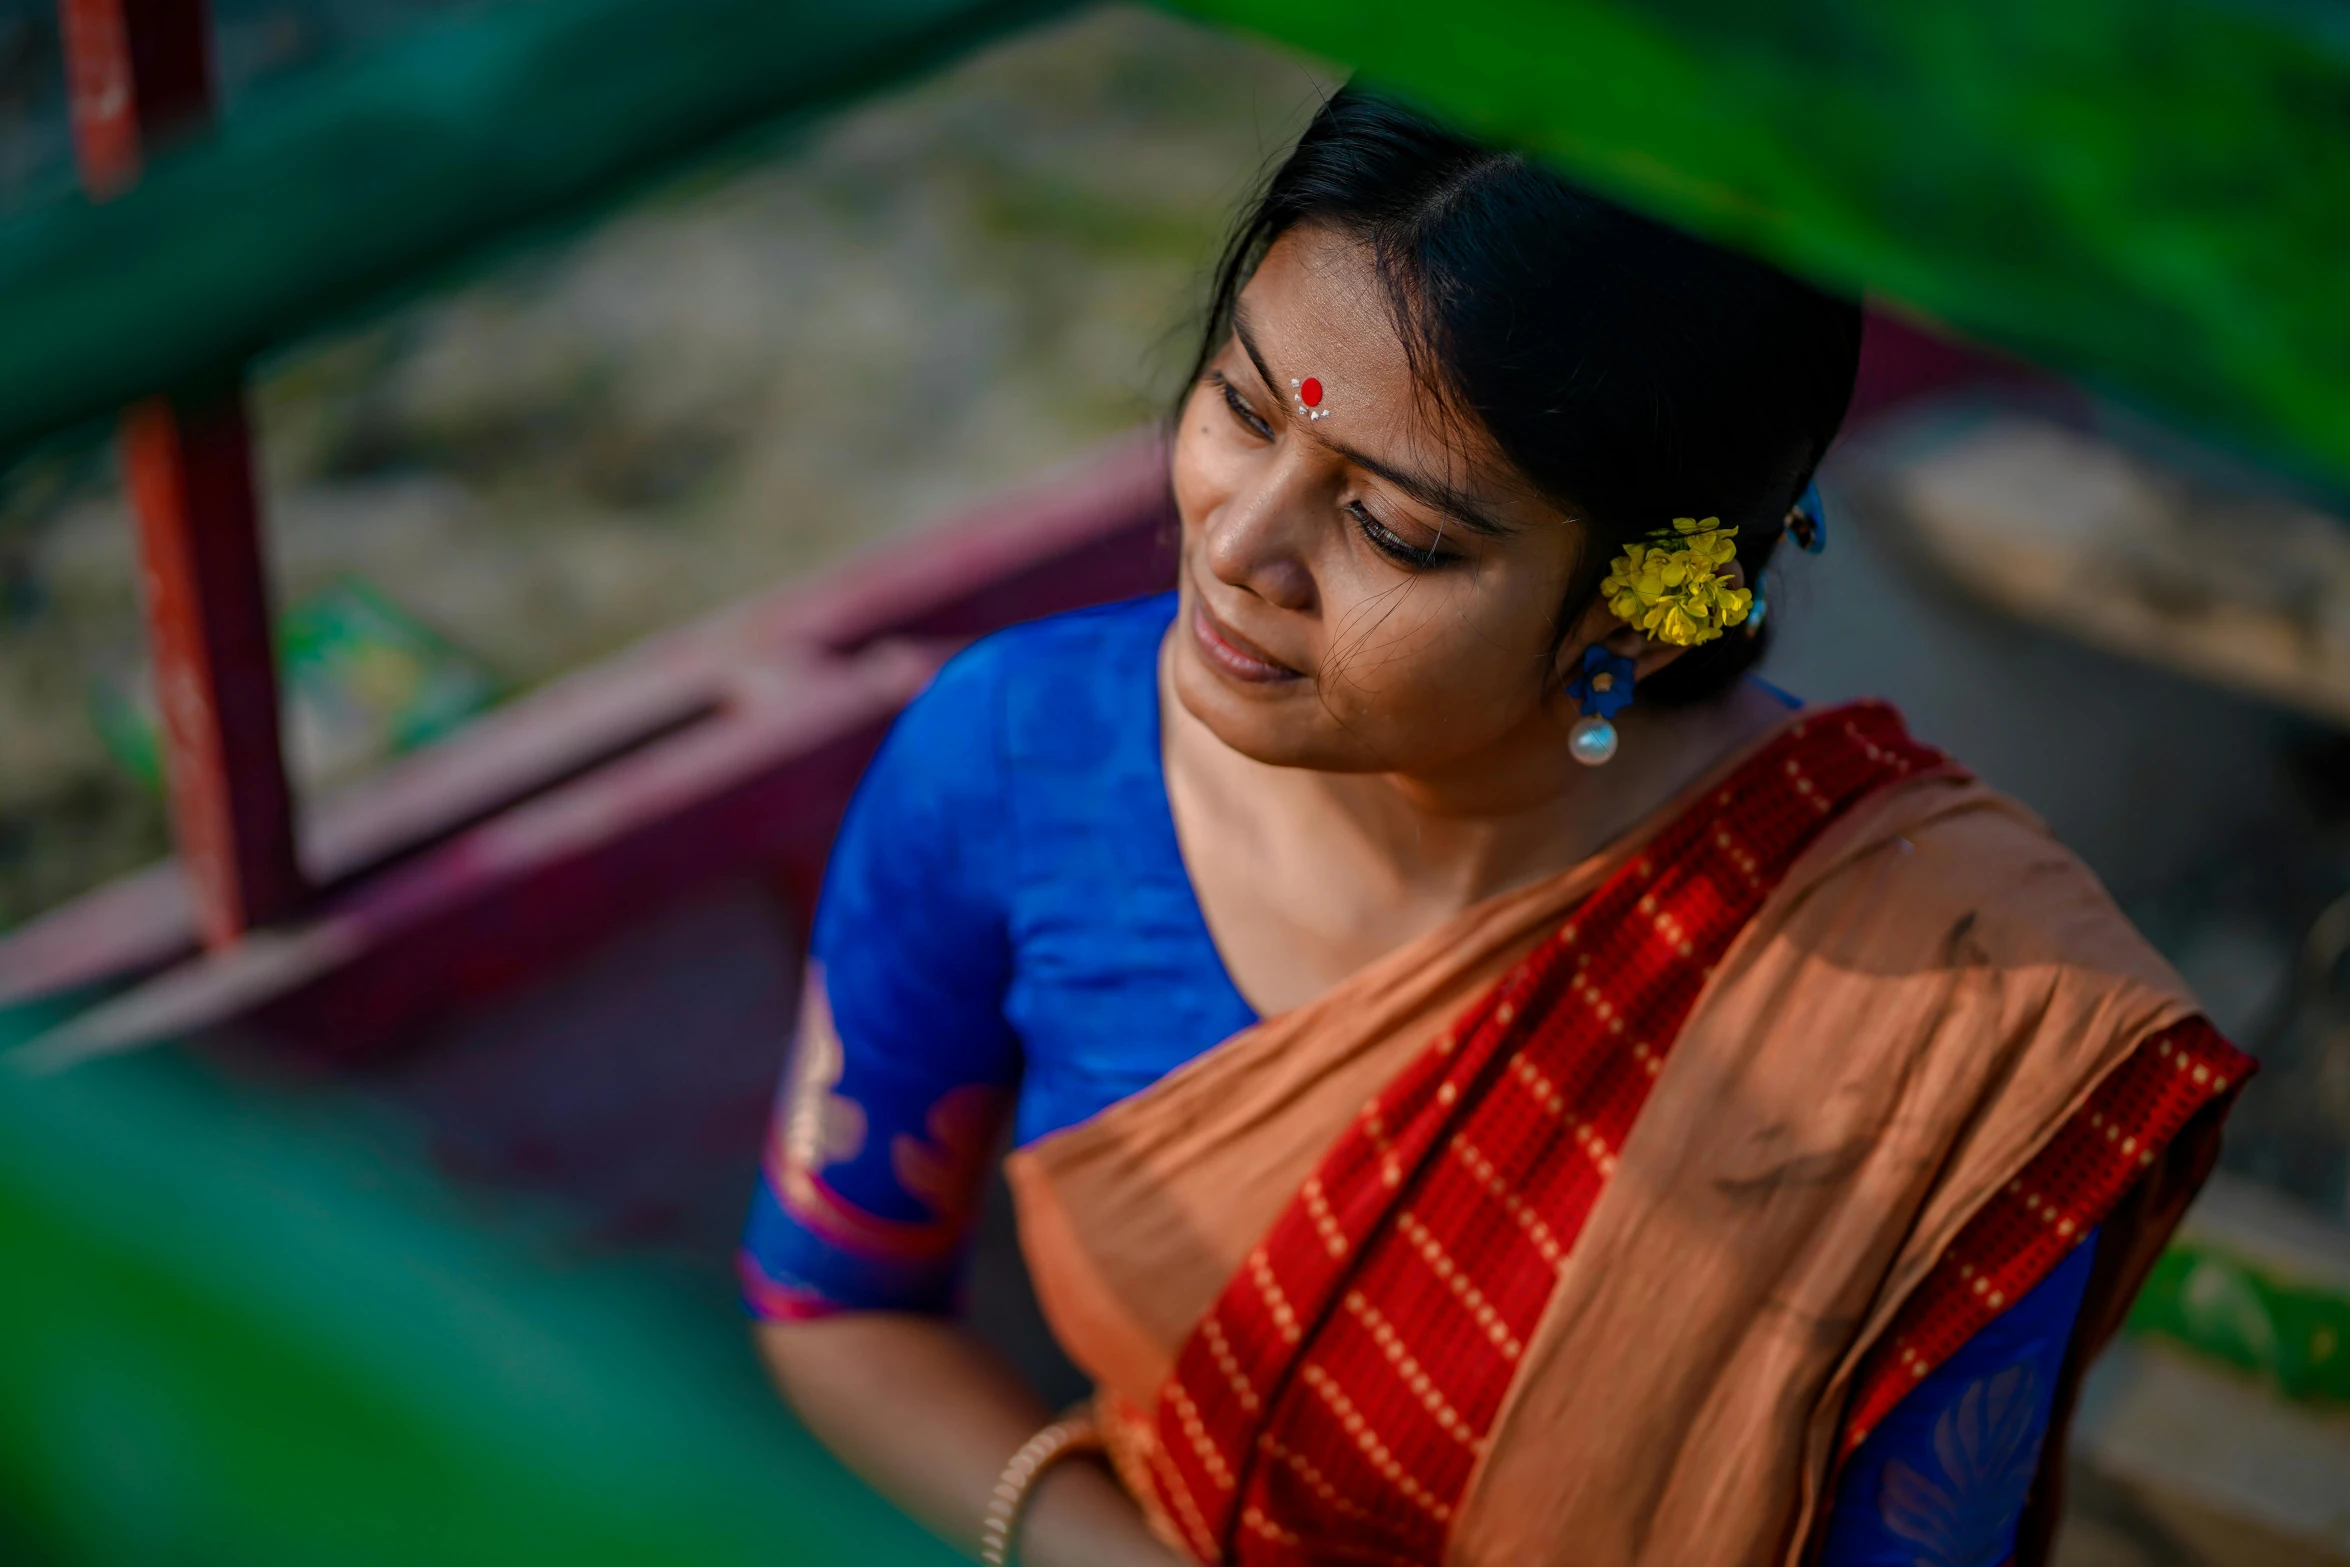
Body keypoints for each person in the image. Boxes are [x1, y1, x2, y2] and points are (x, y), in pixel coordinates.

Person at [739, 91, 2250, 1567]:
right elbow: (837, 1296)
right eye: (1242, 407)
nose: (1241, 541)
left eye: (1396, 532)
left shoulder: (1965, 1017)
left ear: (1640, 618)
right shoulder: (1012, 758)